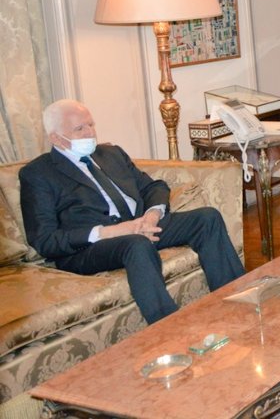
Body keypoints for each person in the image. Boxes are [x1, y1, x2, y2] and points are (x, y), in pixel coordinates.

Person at [20, 99, 245, 324]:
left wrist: (152, 215)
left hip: (140, 226)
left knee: (206, 218)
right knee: (137, 244)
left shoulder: (110, 154)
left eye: (91, 124)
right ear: (56, 138)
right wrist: (111, 231)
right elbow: (44, 239)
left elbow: (153, 187)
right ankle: (169, 326)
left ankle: (236, 303)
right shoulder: (38, 174)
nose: (90, 133)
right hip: (91, 248)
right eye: (80, 129)